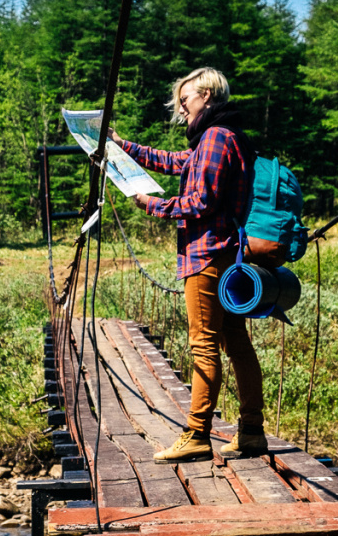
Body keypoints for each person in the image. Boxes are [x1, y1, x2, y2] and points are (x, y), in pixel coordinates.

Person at [107, 67, 268, 464]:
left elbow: (201, 201)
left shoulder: (215, 137)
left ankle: (197, 433)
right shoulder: (220, 137)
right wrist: (122, 146)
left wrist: (152, 205)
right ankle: (251, 431)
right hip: (227, 253)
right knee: (235, 342)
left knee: (204, 344)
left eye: (187, 99)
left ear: (208, 95)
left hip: (207, 254)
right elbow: (174, 161)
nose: (182, 107)